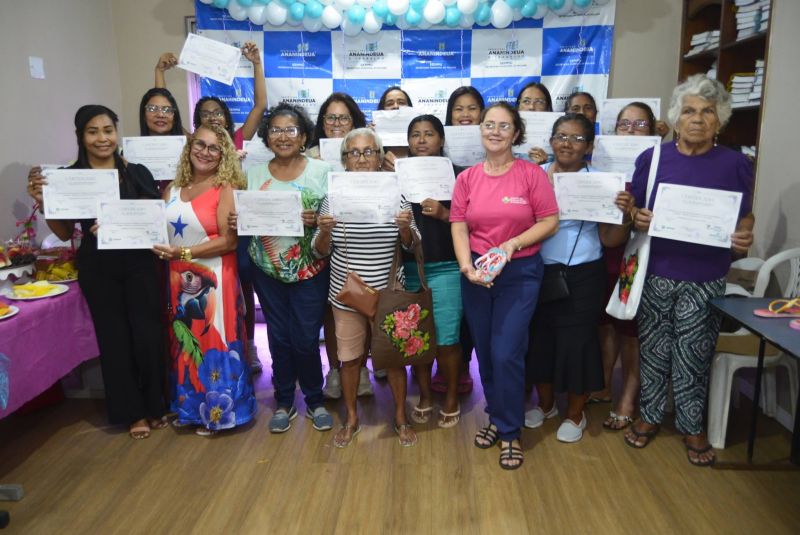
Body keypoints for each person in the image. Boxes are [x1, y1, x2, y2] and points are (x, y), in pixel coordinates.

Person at [623, 75, 754, 467]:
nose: (698, 119)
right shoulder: (655, 157)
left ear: (720, 120)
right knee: (654, 349)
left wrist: (744, 235)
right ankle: (648, 415)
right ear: (677, 118)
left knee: (693, 354)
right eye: (690, 111)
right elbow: (633, 208)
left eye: (708, 112)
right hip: (657, 269)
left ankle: (692, 425)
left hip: (706, 275)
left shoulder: (735, 163)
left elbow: (745, 215)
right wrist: (636, 216)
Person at [27, 105, 166, 440]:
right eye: (93, 131)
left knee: (147, 337)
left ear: (116, 133)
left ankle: (157, 404)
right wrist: (45, 202)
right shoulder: (69, 176)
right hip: (99, 267)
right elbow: (62, 233)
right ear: (81, 136)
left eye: (108, 130)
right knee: (114, 339)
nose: (102, 138)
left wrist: (120, 221)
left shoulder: (138, 173)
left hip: (140, 264)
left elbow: (155, 222)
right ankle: (133, 413)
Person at [450, 102, 559, 469]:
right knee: (485, 350)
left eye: (503, 126)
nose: (494, 131)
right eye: (489, 124)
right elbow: (459, 225)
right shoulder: (467, 178)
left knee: (507, 351)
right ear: (481, 130)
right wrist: (467, 267)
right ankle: (497, 416)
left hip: (520, 273)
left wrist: (513, 244)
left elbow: (549, 220)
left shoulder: (531, 175)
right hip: (478, 274)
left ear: (515, 134)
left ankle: (511, 432)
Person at [155, 44, 267, 371]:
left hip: (229, 229)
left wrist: (256, 63)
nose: (213, 118)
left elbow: (261, 105)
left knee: (238, 295)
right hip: (191, 234)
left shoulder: (236, 138)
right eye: (206, 114)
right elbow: (167, 119)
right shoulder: (194, 149)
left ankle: (247, 347)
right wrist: (160, 73)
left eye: (218, 112)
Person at [526, 113, 632, 443]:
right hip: (536, 272)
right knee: (538, 341)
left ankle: (575, 412)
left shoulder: (602, 182)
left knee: (578, 345)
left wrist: (625, 216)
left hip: (584, 274)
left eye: (576, 138)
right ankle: (545, 406)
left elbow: (611, 241)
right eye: (561, 136)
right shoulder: (534, 176)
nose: (567, 144)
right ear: (551, 140)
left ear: (589, 146)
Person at [312, 128, 421, 448]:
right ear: (344, 160)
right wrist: (324, 231)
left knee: (395, 359)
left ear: (380, 157)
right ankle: (351, 418)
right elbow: (319, 252)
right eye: (354, 153)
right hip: (346, 296)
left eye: (369, 151)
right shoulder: (332, 198)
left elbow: (414, 244)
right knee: (349, 360)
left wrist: (404, 228)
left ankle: (401, 417)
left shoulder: (396, 194)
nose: (361, 159)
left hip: (389, 293)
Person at [152, 123, 256, 436]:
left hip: (215, 280)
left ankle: (221, 414)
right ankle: (189, 409)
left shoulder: (225, 189)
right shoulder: (171, 188)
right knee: (185, 344)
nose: (205, 152)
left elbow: (229, 241)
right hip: (176, 280)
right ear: (190, 146)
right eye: (200, 144)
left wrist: (183, 252)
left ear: (223, 155)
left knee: (214, 343)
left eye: (214, 148)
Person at [239, 103, 334, 434]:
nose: (282, 136)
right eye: (275, 130)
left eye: (290, 130)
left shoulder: (321, 172)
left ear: (304, 135)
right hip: (267, 270)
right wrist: (239, 219)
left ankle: (314, 399)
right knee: (278, 337)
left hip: (311, 268)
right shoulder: (253, 174)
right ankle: (283, 402)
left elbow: (332, 218)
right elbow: (245, 217)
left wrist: (317, 219)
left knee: (306, 338)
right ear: (267, 136)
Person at [592, 102, 657, 431]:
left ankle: (628, 398)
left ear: (654, 129)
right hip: (604, 255)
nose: (631, 130)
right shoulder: (601, 167)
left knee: (630, 331)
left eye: (640, 124)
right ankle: (603, 385)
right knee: (606, 323)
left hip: (638, 258)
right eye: (624, 124)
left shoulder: (659, 168)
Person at [306, 93, 371, 399]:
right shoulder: (309, 157)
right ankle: (336, 370)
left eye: (343, 118)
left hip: (361, 247)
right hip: (322, 244)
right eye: (330, 118)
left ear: (354, 121)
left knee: (365, 305)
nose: (336, 124)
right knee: (334, 313)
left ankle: (362, 370)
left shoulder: (367, 153)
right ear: (321, 123)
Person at [404, 115, 465, 428]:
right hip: (410, 270)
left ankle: (451, 395)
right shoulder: (397, 175)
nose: (422, 140)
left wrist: (445, 214)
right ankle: (425, 395)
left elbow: (474, 219)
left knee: (447, 339)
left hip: (447, 268)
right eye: (415, 134)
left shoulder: (458, 175)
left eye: (429, 134)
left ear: (441, 140)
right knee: (416, 338)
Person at [515, 81, 555, 165]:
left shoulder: (556, 137)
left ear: (547, 107)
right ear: (518, 105)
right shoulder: (506, 133)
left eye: (539, 102)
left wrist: (544, 165)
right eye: (526, 101)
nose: (531, 107)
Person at [377, 86, 413, 171]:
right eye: (389, 104)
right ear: (382, 110)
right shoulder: (374, 142)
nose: (396, 106)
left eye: (401, 102)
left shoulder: (421, 143)